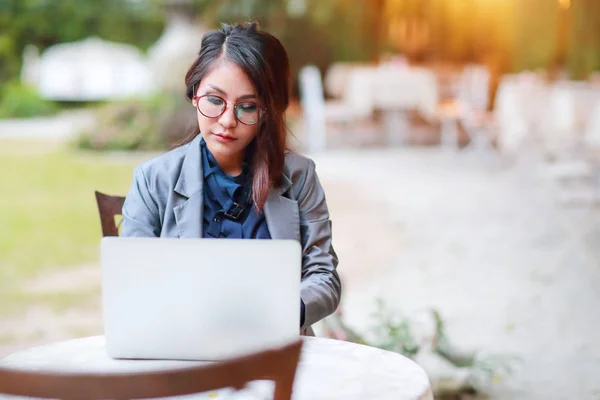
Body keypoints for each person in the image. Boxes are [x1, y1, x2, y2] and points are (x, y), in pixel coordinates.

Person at [121, 22, 341, 336]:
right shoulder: (153, 179)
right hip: (181, 345)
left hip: (277, 348)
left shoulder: (299, 176)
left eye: (248, 107)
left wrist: (285, 312)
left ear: (268, 111)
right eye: (214, 100)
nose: (228, 121)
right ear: (194, 93)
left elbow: (324, 277)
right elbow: (134, 279)